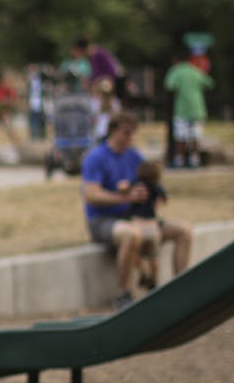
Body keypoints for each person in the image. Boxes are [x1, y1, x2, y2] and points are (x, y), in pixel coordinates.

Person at [80, 113, 193, 310]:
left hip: (136, 217)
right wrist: (126, 197)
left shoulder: (134, 156)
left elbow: (151, 182)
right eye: (126, 133)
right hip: (103, 220)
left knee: (184, 231)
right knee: (132, 234)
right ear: (113, 131)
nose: (130, 137)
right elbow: (91, 195)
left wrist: (153, 196)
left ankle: (180, 288)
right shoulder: (96, 157)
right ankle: (124, 294)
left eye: (133, 133)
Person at [162, 56, 215, 168]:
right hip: (197, 109)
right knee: (196, 135)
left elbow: (169, 86)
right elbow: (210, 83)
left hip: (182, 109)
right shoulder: (195, 70)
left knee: (180, 136)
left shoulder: (176, 71)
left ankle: (179, 160)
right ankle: (194, 160)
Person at [125, 159, 169, 291]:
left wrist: (123, 188)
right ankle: (154, 280)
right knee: (154, 257)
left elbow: (125, 188)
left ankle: (144, 272)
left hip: (137, 224)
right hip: (152, 225)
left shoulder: (137, 184)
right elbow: (164, 199)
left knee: (135, 253)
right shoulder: (157, 187)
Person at [89, 77, 120, 142]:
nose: (105, 95)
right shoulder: (94, 102)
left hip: (110, 133)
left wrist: (110, 109)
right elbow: (92, 120)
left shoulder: (115, 102)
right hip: (98, 133)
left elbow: (117, 118)